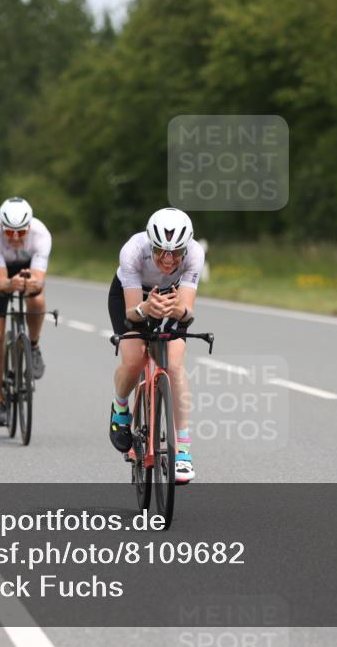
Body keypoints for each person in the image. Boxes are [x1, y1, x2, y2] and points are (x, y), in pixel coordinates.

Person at [107, 207, 204, 484]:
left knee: (173, 364)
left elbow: (188, 311)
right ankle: (121, 407)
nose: (168, 258)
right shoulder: (132, 252)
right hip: (134, 297)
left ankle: (182, 450)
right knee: (135, 358)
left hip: (171, 298)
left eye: (176, 252)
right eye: (161, 250)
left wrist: (178, 311)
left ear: (186, 248)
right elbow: (130, 313)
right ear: (151, 244)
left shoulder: (195, 254)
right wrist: (146, 308)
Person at [0, 197, 52, 427]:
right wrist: (11, 284)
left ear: (29, 227)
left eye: (20, 232)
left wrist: (30, 284)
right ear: (1, 227)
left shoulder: (42, 235)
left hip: (27, 267)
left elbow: (38, 282)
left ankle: (33, 345)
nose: (14, 238)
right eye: (9, 232)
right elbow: (1, 284)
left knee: (38, 300)